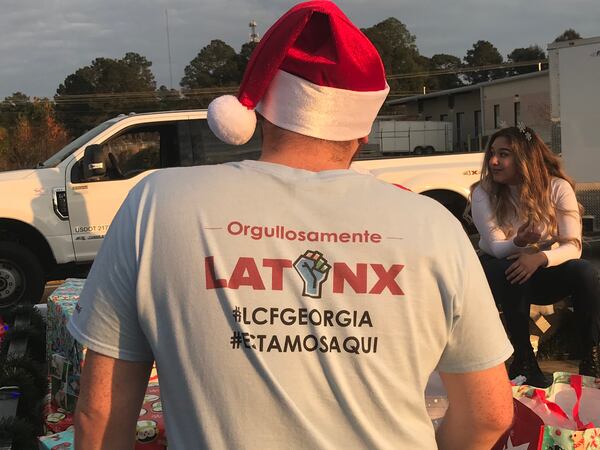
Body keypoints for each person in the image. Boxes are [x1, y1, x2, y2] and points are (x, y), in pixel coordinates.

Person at [68, 2, 514, 449]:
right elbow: (490, 415)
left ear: (259, 111)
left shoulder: (156, 204)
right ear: (363, 131)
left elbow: (100, 414)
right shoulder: (433, 225)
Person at [470, 125, 600, 387]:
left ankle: (591, 357)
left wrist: (539, 258)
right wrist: (519, 243)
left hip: (542, 269)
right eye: (492, 154)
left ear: (525, 157)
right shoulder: (483, 192)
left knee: (585, 271)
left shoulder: (558, 188)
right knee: (510, 266)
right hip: (499, 272)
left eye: (503, 154)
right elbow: (495, 247)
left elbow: (573, 246)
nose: (494, 161)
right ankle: (524, 359)